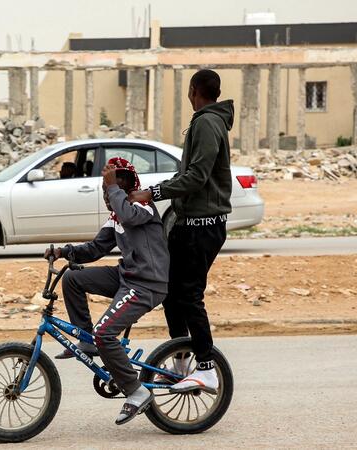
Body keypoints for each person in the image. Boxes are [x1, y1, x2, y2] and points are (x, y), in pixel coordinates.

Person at [44, 157, 169, 425]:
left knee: (106, 333)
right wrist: (63, 252)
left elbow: (128, 215)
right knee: (73, 280)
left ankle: (136, 391)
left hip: (147, 283)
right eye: (105, 190)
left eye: (114, 187)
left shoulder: (142, 205)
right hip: (127, 276)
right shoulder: (116, 217)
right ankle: (87, 342)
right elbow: (94, 249)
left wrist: (113, 187)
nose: (108, 194)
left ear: (129, 187)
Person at [130, 69, 233, 393]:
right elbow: (190, 174)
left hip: (201, 227)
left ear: (193, 91)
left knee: (188, 296)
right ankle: (180, 363)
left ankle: (205, 368)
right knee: (171, 294)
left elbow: (197, 176)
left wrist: (153, 193)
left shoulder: (206, 122)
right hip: (191, 225)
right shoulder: (209, 121)